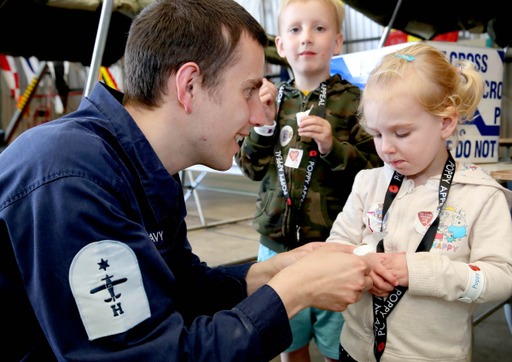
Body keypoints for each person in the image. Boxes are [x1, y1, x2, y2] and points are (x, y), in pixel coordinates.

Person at [0, 0, 376, 361]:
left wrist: (272, 272)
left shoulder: (147, 168)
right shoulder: (72, 178)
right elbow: (146, 355)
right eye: (248, 90)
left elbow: (180, 287)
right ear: (189, 85)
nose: (258, 116)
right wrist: (295, 290)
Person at [326, 42, 512, 362]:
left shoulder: (481, 196)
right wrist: (361, 263)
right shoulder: (367, 183)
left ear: (445, 123)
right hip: (355, 349)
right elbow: (336, 244)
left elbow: (501, 278)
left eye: (401, 133)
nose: (386, 149)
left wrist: (420, 272)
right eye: (378, 134)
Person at [235, 1, 382, 361]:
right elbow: (249, 168)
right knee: (287, 337)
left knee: (338, 339)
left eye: (319, 28)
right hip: (276, 247)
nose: (307, 38)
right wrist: (265, 126)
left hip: (335, 244)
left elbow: (376, 170)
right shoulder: (269, 100)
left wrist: (333, 146)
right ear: (281, 45)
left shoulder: (355, 102)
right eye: (295, 29)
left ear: (337, 42)